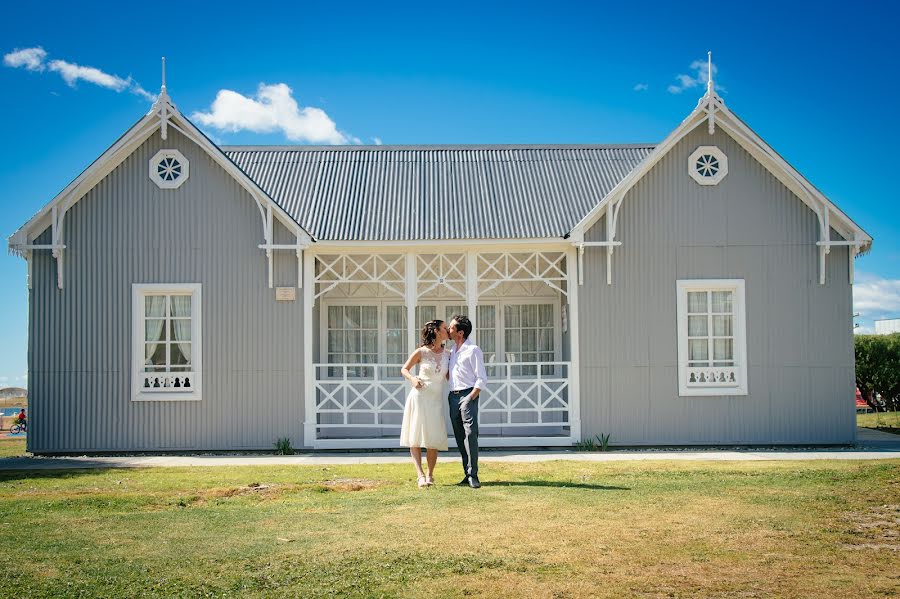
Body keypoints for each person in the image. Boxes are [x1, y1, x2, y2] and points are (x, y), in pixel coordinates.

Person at [399, 320, 450, 488]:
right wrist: (413, 379)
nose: (447, 330)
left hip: (435, 400)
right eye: (444, 328)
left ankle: (430, 474)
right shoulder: (421, 352)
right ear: (436, 331)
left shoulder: (448, 354)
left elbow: (450, 376)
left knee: (432, 438)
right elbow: (404, 369)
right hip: (419, 397)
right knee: (415, 435)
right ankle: (420, 474)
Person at [447, 315, 488, 489]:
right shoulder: (452, 351)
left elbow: (481, 378)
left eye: (451, 328)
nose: (448, 330)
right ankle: (466, 472)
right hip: (453, 396)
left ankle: (473, 475)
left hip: (468, 395)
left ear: (460, 332)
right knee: (459, 436)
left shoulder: (473, 350)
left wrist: (470, 397)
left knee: (470, 434)